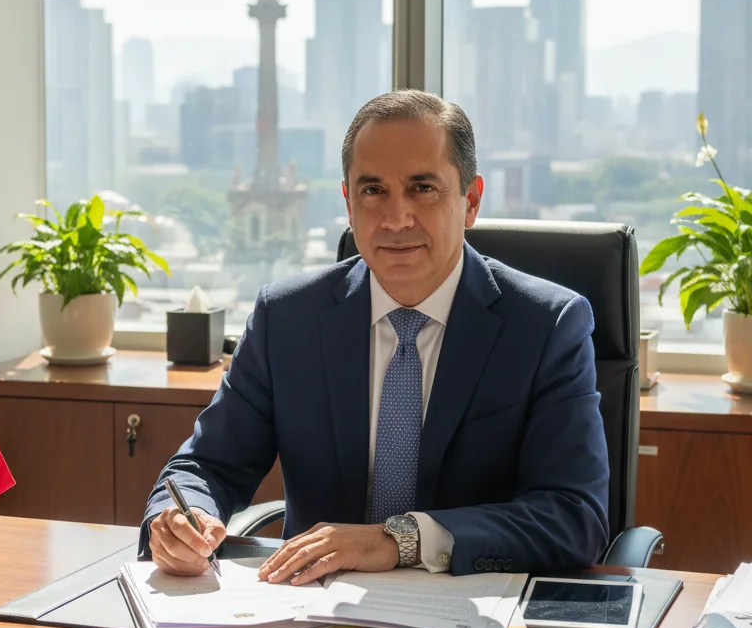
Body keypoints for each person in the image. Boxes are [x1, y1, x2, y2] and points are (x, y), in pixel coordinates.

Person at [142, 90, 610, 582]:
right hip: (310, 615)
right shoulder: (287, 318)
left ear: (470, 201)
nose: (395, 218)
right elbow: (204, 465)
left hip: (472, 619)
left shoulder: (546, 325)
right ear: (347, 201)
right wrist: (178, 519)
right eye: (373, 191)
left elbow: (573, 516)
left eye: (423, 188)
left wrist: (400, 539)